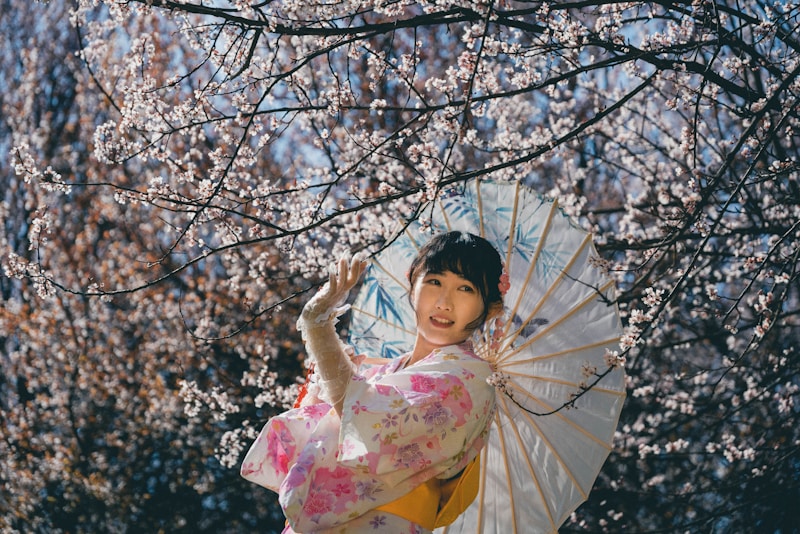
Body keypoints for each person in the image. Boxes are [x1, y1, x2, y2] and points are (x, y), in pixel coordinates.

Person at [241, 231, 507, 533]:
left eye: (466, 289)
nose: (445, 302)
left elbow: (368, 422)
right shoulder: (379, 373)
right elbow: (322, 432)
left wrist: (321, 332)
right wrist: (329, 384)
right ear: (412, 281)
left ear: (492, 307)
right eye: (434, 281)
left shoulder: (470, 379)